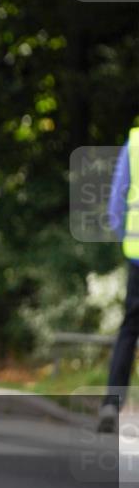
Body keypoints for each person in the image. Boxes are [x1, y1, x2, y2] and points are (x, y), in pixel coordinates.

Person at [99, 126, 139, 433]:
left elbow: (116, 201)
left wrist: (123, 238)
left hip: (137, 253)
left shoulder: (135, 141)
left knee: (129, 329)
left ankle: (111, 403)